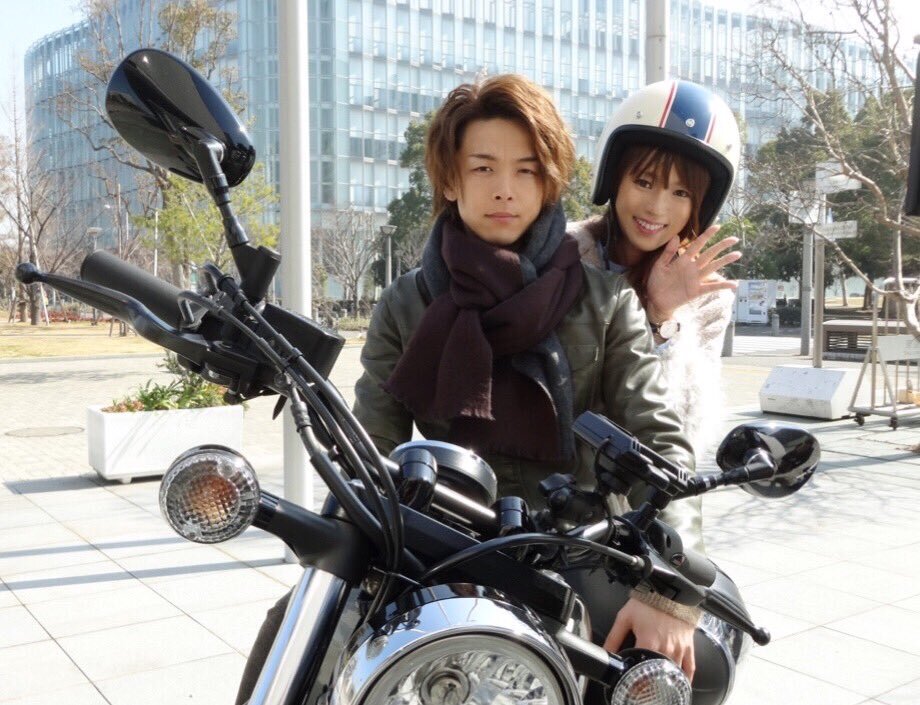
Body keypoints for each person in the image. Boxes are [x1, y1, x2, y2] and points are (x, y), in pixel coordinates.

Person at [236, 74, 706, 705]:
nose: (505, 189)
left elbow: (660, 439)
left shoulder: (606, 301)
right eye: (483, 168)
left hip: (576, 549)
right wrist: (349, 549)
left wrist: (671, 589)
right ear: (451, 180)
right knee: (296, 630)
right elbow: (368, 450)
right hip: (438, 546)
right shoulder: (406, 303)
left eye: (526, 170)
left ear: (548, 183)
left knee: (667, 673)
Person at [568, 79, 743, 463]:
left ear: (702, 205)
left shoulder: (706, 295)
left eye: (681, 193)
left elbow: (685, 428)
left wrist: (662, 317)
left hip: (635, 483)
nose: (656, 208)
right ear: (613, 177)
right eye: (644, 181)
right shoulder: (564, 253)